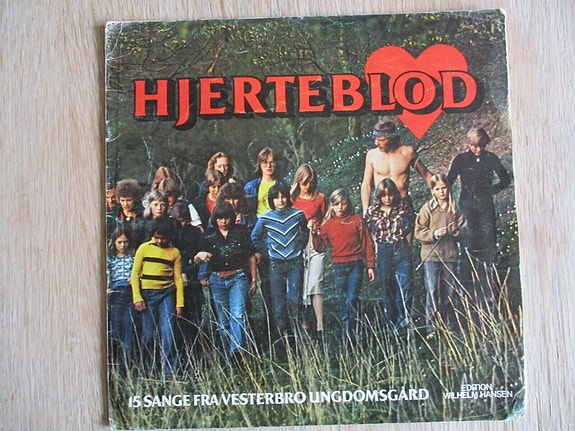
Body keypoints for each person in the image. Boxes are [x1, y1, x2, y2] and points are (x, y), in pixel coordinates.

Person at [447, 126, 510, 303]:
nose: (478, 149)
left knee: (488, 243)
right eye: (475, 146)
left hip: (485, 206)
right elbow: (449, 181)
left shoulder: (491, 158)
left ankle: (490, 288)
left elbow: (505, 179)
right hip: (466, 206)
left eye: (482, 145)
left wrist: (491, 191)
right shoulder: (461, 160)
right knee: (467, 244)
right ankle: (465, 288)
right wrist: (449, 204)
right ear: (469, 144)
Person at [195, 202, 258, 363]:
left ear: (232, 217)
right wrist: (199, 256)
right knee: (223, 320)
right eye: (220, 218)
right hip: (216, 280)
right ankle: (227, 356)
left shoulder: (240, 232)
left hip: (238, 277)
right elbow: (197, 258)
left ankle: (237, 352)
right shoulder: (208, 235)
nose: (223, 221)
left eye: (226, 218)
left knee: (238, 314)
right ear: (215, 219)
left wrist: (253, 280)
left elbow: (251, 256)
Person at [311, 189, 375, 346]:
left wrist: (370, 265)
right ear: (331, 205)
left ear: (348, 204)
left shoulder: (356, 221)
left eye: (343, 203)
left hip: (355, 264)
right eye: (336, 204)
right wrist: (313, 234)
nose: (340, 207)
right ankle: (348, 338)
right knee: (343, 300)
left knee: (352, 298)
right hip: (339, 266)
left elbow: (367, 243)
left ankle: (358, 334)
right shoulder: (328, 225)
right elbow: (320, 246)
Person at [251, 184, 309, 340]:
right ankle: (282, 340)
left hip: (295, 262)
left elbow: (305, 231)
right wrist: (267, 251)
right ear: (272, 200)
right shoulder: (265, 218)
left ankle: (298, 337)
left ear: (287, 198)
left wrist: (299, 245)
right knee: (278, 303)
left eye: (283, 196)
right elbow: (255, 237)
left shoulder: (297, 214)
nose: (280, 200)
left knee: (294, 299)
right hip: (275, 264)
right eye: (276, 198)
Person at [130, 217, 184, 379]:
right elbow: (135, 274)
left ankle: (169, 371)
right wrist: (137, 297)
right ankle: (150, 367)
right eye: (157, 237)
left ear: (169, 236)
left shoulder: (174, 252)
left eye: (163, 238)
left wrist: (179, 303)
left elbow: (178, 278)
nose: (160, 241)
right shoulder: (144, 248)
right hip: (147, 295)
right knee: (148, 333)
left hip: (167, 294)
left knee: (168, 331)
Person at [415, 174, 467, 334]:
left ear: (448, 188)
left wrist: (456, 231)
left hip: (449, 255)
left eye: (444, 188)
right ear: (432, 191)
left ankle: (450, 325)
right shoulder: (427, 209)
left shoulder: (454, 208)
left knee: (450, 290)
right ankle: (432, 327)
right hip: (431, 256)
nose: (441, 192)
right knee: (432, 290)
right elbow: (418, 232)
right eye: (437, 189)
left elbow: (464, 231)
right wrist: (435, 233)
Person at [364, 178, 414, 332]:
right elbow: (366, 228)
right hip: (384, 249)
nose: (387, 198)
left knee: (404, 285)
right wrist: (375, 243)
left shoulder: (402, 207)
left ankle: (404, 319)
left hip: (400, 247)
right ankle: (391, 323)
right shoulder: (373, 211)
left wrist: (408, 245)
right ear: (379, 196)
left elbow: (410, 226)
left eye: (390, 194)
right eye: (384, 195)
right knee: (387, 287)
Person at [360, 121, 432, 216]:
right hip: (381, 205)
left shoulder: (407, 152)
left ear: (391, 138)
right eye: (375, 139)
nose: (376, 143)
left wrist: (442, 190)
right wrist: (365, 210)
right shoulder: (372, 155)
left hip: (403, 203)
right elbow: (366, 185)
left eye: (381, 140)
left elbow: (426, 175)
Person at [291, 164, 328, 335]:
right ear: (298, 181)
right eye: (305, 182)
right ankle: (305, 323)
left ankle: (320, 325)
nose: (308, 185)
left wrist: (319, 231)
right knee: (302, 281)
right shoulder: (291, 199)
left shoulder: (320, 198)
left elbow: (327, 220)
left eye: (311, 182)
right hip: (297, 243)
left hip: (316, 243)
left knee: (316, 281)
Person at [169, 202, 205, 359]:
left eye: (184, 220)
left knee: (195, 317)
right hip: (174, 277)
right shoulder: (169, 233)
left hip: (192, 277)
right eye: (178, 221)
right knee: (176, 318)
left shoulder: (195, 233)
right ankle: (180, 354)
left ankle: (195, 353)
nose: (181, 224)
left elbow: (200, 253)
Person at [106, 224, 136, 375]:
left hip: (130, 293)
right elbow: (107, 275)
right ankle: (114, 367)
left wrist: (135, 279)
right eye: (119, 242)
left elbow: (138, 272)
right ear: (114, 242)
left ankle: (126, 369)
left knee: (128, 331)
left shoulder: (133, 257)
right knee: (115, 331)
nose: (123, 245)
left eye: (125, 242)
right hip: (115, 294)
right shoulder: (109, 259)